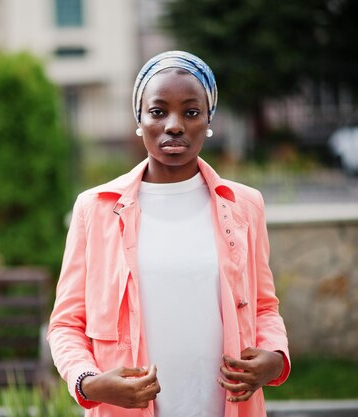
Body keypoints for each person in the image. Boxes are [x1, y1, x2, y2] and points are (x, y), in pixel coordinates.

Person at [47, 50, 290, 417]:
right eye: (158, 111)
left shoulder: (244, 206)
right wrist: (88, 381)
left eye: (191, 112)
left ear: (208, 119)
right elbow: (67, 324)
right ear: (139, 119)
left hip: (225, 406)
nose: (174, 125)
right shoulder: (94, 209)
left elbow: (264, 307)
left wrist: (275, 357)